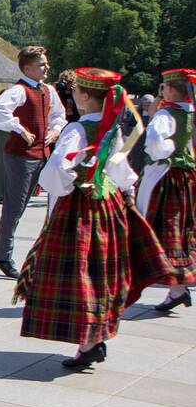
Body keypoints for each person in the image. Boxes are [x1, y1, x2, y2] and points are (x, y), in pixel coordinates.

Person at [15, 68, 169, 368]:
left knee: (80, 275)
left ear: (84, 97)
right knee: (101, 273)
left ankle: (88, 342)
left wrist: (60, 183)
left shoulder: (76, 130)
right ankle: (94, 338)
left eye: (75, 92)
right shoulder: (114, 130)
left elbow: (58, 172)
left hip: (79, 209)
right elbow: (121, 170)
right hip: (109, 206)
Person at [0, 46, 66, 278]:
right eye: (42, 64)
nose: (47, 67)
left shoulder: (48, 90)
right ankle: (2, 256)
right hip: (20, 156)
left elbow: (58, 115)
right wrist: (19, 128)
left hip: (41, 154)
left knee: (41, 205)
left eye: (46, 63)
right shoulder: (19, 91)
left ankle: (46, 255)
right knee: (14, 208)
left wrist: (55, 130)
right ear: (27, 68)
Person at [137, 68, 196, 311]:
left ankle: (154, 280)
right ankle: (178, 289)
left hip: (166, 178)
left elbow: (154, 143)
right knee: (182, 232)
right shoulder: (191, 114)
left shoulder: (165, 115)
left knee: (159, 231)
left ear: (170, 90)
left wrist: (165, 150)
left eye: (164, 87)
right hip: (189, 178)